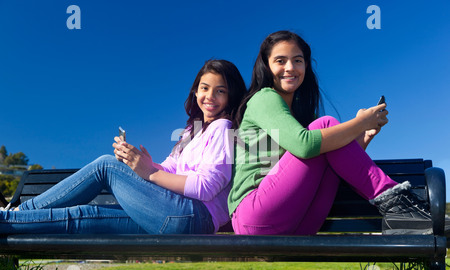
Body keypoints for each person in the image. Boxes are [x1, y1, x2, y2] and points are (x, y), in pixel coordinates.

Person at [0, 59, 247, 235]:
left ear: (230, 96)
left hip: (194, 216)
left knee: (105, 166)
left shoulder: (222, 128)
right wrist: (141, 162)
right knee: (87, 215)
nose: (210, 96)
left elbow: (205, 187)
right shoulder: (192, 132)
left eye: (220, 91)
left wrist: (150, 172)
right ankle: (6, 220)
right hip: (172, 213)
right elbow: (169, 169)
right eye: (204, 88)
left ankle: (19, 209)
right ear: (195, 92)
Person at [227, 30, 434, 236]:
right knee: (325, 125)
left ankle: (405, 214)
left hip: (298, 222)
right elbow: (305, 145)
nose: (290, 68)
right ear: (267, 66)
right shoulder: (264, 98)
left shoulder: (303, 115)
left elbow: (335, 159)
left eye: (297, 61)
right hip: (255, 215)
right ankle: (400, 208)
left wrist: (363, 135)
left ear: (306, 66)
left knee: (327, 140)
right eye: (280, 61)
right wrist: (360, 122)